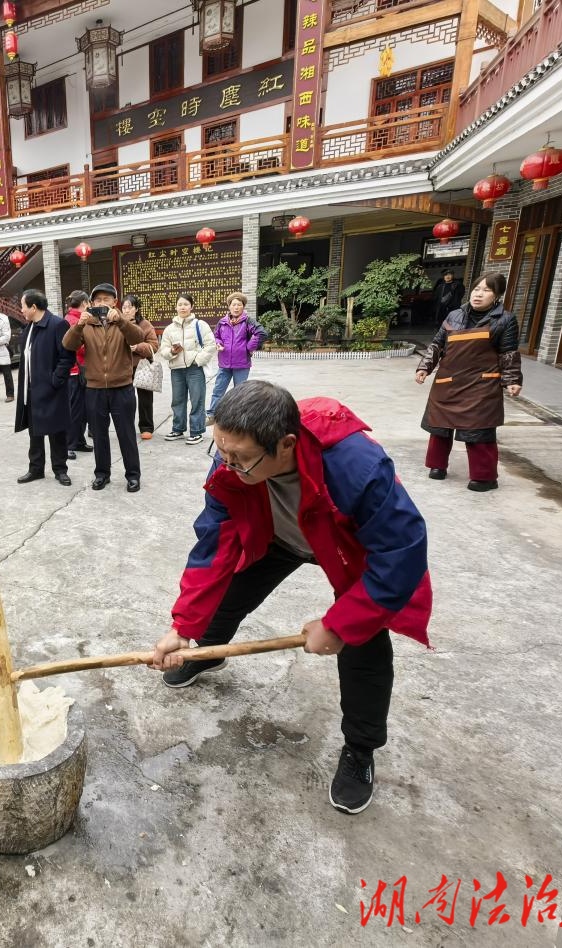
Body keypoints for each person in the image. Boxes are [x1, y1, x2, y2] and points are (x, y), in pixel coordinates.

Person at [151, 380, 431, 815]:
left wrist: (339, 625)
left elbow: (401, 552)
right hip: (279, 535)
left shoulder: (356, 466)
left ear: (286, 444)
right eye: (221, 451)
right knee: (226, 595)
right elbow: (213, 545)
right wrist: (182, 627)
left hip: (342, 545)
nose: (228, 465)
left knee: (363, 642)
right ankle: (207, 652)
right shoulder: (230, 462)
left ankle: (360, 750)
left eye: (241, 458)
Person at [415, 271, 522, 491]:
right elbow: (437, 344)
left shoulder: (505, 319)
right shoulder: (454, 315)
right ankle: (437, 466)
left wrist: (512, 379)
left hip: (481, 384)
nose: (478, 294)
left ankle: (484, 477)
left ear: (497, 295)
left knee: (479, 431)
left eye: (486, 290)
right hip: (448, 380)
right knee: (440, 427)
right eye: (476, 289)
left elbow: (508, 353)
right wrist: (424, 367)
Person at [64, 282, 145, 492]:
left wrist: (122, 321)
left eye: (106, 299)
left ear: (114, 302)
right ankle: (102, 474)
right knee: (99, 435)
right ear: (91, 303)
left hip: (122, 388)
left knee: (126, 434)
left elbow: (138, 338)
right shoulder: (87, 325)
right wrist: (78, 325)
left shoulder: (123, 322)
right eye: (98, 300)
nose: (102, 303)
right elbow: (68, 345)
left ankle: (133, 475)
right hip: (95, 389)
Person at [15, 289, 75, 487]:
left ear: (33, 307)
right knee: (35, 432)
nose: (21, 310)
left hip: (52, 390)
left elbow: (67, 358)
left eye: (23, 306)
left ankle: (60, 470)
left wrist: (54, 381)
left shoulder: (58, 325)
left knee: (57, 432)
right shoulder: (29, 328)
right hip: (31, 390)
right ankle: (36, 469)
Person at [158, 292, 216, 445]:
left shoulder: (200, 325)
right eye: (180, 304)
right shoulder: (169, 329)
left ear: (191, 306)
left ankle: (197, 432)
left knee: (197, 400)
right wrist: (172, 351)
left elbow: (211, 345)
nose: (182, 307)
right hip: (176, 369)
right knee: (177, 400)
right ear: (176, 307)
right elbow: (163, 350)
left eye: (186, 304)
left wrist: (198, 360)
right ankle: (178, 429)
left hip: (194, 369)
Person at [208, 292, 267, 420]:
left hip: (241, 364)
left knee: (240, 393)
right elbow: (216, 336)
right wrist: (218, 343)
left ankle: (238, 417)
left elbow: (261, 333)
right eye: (233, 305)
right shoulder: (222, 322)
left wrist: (250, 347)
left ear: (243, 307)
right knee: (218, 390)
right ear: (229, 306)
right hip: (224, 364)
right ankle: (212, 414)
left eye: (239, 305)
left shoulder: (248, 321)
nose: (236, 307)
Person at [122, 294, 159, 440]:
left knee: (145, 399)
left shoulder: (145, 324)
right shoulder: (117, 324)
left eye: (129, 307)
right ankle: (127, 427)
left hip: (142, 366)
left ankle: (146, 427)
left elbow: (154, 346)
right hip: (123, 367)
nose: (126, 310)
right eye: (124, 307)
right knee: (125, 400)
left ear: (136, 308)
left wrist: (138, 347)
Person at [64, 290, 91, 456]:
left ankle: (79, 441)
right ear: (84, 303)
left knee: (82, 410)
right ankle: (69, 444)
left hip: (80, 370)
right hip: (75, 371)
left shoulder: (72, 318)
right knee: (75, 410)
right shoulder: (74, 321)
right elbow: (78, 347)